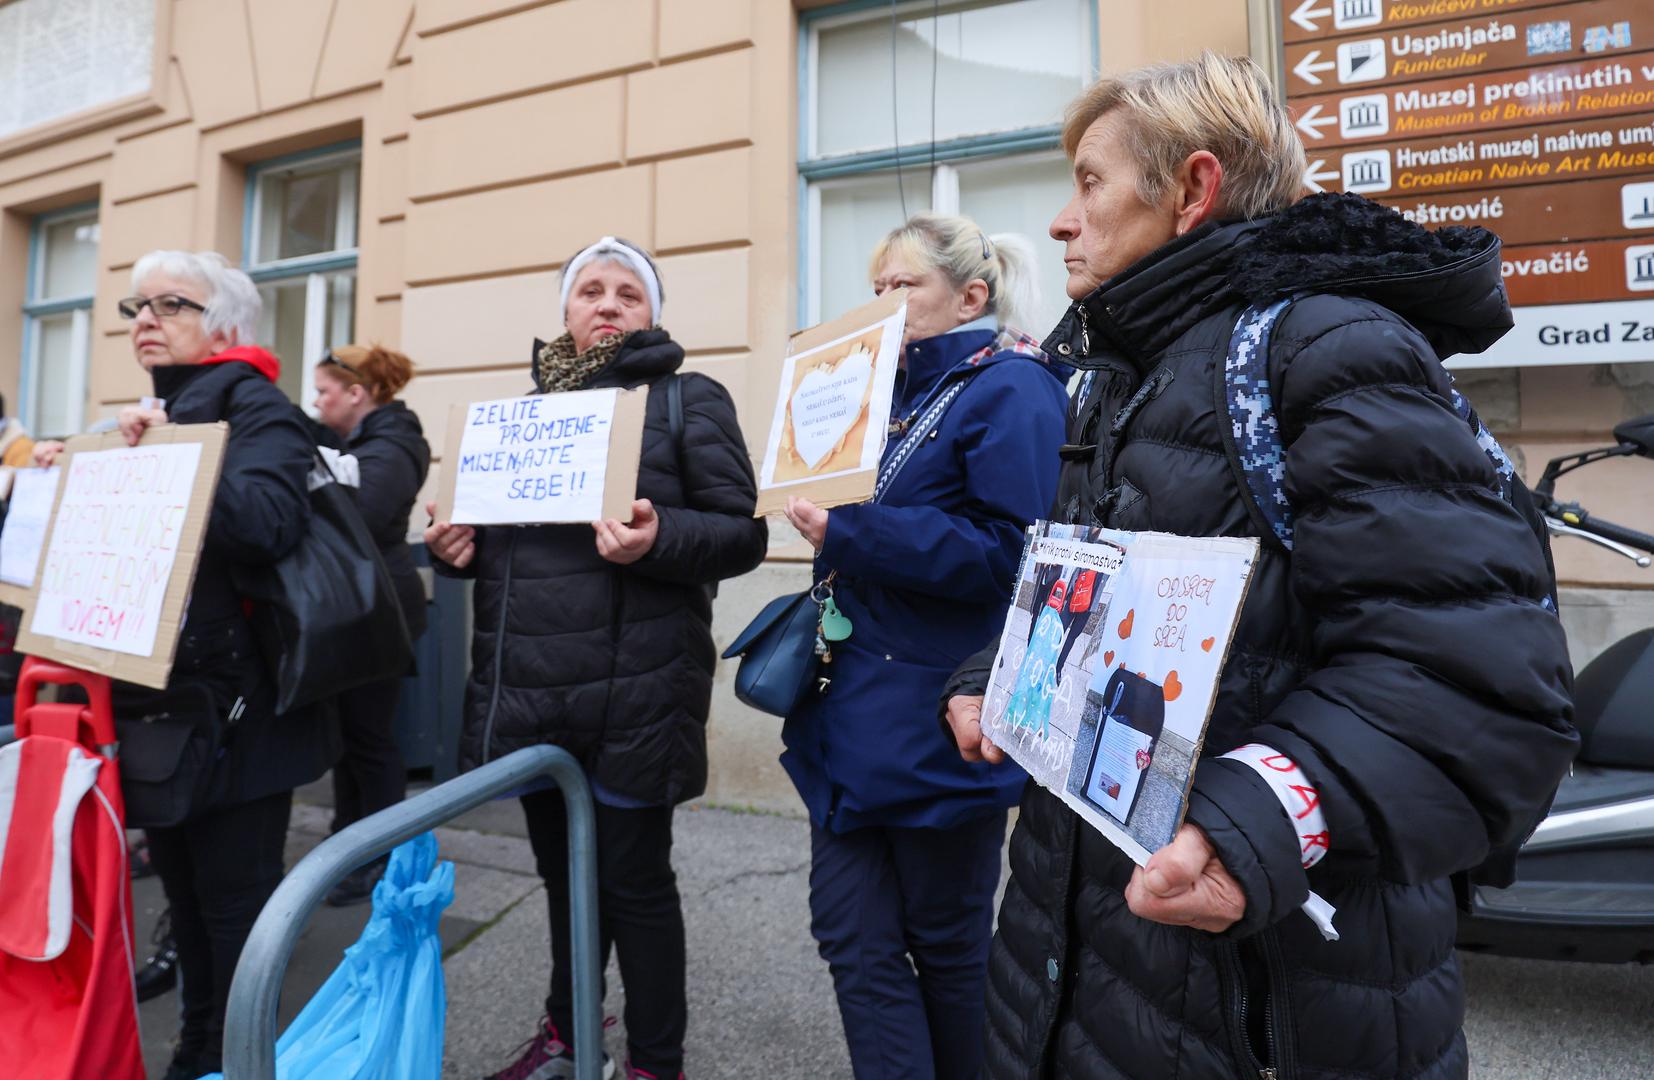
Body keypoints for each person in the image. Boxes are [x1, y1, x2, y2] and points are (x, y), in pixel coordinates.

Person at [941, 54, 1576, 1079]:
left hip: (1272, 1003)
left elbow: (1481, 682)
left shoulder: (1327, 349)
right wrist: (997, 677)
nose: (1061, 219)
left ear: (1190, 189)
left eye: (1090, 181)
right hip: (1083, 967)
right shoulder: (1117, 374)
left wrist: (1264, 816)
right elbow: (1087, 592)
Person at [425, 236, 766, 1080]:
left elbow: (741, 534)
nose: (607, 303)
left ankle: (656, 1061)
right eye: (590, 290)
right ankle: (570, 1030)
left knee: (635, 888)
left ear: (652, 315)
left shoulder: (688, 399)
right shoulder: (516, 421)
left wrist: (658, 538)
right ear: (566, 311)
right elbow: (485, 547)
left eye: (628, 293)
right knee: (564, 883)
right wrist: (451, 548)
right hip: (535, 696)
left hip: (635, 694)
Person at [778, 213, 1070, 1080]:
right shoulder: (881, 395)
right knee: (852, 939)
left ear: (970, 297)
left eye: (903, 286)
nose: (882, 303)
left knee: (946, 947)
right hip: (847, 718)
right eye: (874, 288)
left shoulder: (1012, 388)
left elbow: (1016, 553)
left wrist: (851, 532)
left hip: (940, 718)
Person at [102, 250, 337, 1080]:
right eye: (137, 305)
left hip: (242, 713)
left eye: (171, 304)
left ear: (226, 325)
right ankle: (197, 1055)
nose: (146, 319)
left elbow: (269, 522)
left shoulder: (258, 405)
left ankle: (238, 1063)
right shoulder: (160, 409)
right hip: (168, 708)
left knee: (236, 913)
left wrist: (173, 455)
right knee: (188, 909)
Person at [310, 343, 431, 906]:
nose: (316, 403)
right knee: (348, 736)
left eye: (324, 392)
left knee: (371, 738)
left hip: (380, 610)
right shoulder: (354, 443)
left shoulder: (396, 442)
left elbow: (362, 517)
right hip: (355, 607)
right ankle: (346, 842)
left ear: (356, 394)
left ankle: (380, 854)